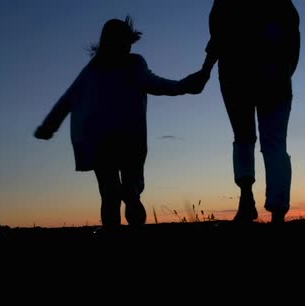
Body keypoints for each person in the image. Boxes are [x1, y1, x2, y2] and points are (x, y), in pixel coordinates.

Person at [34, 16, 204, 231]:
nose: (125, 47)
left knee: (109, 194)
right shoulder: (130, 63)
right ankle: (131, 200)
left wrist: (48, 126)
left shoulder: (93, 70)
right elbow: (154, 84)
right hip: (124, 138)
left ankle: (121, 216)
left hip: (100, 140)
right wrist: (183, 86)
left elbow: (68, 99)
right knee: (125, 190)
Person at [197, 0, 300, 224]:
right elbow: (218, 37)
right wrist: (205, 70)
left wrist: (205, 70)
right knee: (264, 142)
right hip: (248, 77)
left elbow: (292, 32)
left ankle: (262, 207)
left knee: (250, 140)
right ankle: (263, 206)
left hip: (251, 77)